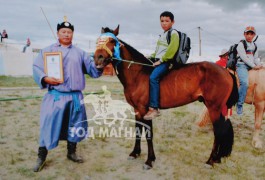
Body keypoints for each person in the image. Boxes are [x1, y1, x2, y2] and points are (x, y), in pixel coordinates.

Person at [32, 20, 103, 172]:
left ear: (72, 34)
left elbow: (93, 70)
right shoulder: (47, 51)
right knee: (48, 125)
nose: (66, 34)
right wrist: (45, 78)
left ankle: (71, 152)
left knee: (75, 125)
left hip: (75, 97)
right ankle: (41, 156)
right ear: (58, 33)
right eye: (63, 31)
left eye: (69, 32)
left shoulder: (81, 53)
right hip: (55, 96)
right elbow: (37, 67)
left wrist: (100, 64)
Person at [143, 11, 179, 120]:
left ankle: (154, 108)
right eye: (162, 21)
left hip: (166, 62)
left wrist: (161, 60)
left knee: (153, 78)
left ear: (172, 22)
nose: (164, 23)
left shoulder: (173, 33)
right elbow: (158, 51)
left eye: (167, 21)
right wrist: (150, 57)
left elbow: (172, 50)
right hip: (160, 60)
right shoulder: (163, 35)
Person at [236, 26, 263, 115]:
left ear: (254, 35)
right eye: (248, 34)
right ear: (244, 34)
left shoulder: (254, 46)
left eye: (251, 34)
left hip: (251, 66)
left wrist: (259, 64)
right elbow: (244, 57)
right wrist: (253, 66)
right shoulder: (241, 44)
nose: (249, 36)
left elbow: (255, 58)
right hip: (242, 65)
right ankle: (239, 104)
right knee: (244, 83)